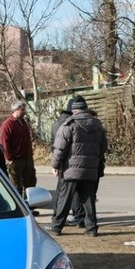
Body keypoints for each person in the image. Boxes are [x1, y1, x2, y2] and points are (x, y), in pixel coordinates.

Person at [49, 97, 108, 237]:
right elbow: (103, 147)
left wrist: (55, 165)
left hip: (71, 170)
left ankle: (57, 227)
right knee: (89, 200)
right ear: (85, 108)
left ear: (73, 110)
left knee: (64, 199)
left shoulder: (69, 125)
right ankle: (91, 229)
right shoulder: (98, 124)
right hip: (91, 169)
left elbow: (60, 149)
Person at [51, 96, 84, 226]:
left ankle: (57, 216)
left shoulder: (57, 123)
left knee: (62, 192)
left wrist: (55, 163)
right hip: (68, 163)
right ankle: (72, 218)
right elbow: (62, 146)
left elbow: (53, 145)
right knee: (71, 193)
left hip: (61, 161)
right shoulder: (70, 123)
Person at [0, 100, 36, 195]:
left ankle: (30, 205)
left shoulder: (23, 123)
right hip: (16, 160)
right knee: (16, 185)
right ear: (15, 110)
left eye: (24, 110)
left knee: (30, 183)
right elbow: (4, 143)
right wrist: (10, 159)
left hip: (27, 158)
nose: (24, 112)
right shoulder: (7, 124)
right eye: (22, 110)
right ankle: (19, 206)